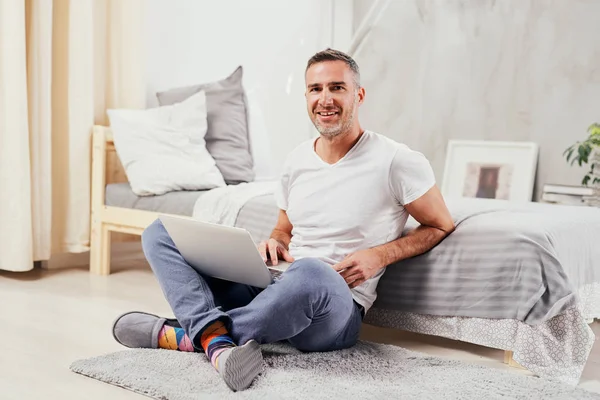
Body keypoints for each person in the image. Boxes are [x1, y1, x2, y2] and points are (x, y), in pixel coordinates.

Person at [112, 48, 455, 392]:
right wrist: (274, 242)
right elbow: (284, 229)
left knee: (312, 271)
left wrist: (379, 255)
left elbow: (440, 224)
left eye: (337, 88)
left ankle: (187, 335)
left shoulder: (397, 160)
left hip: (334, 306)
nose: (325, 99)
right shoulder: (296, 160)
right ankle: (216, 344)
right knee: (161, 232)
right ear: (306, 96)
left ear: (358, 95)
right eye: (316, 89)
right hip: (275, 287)